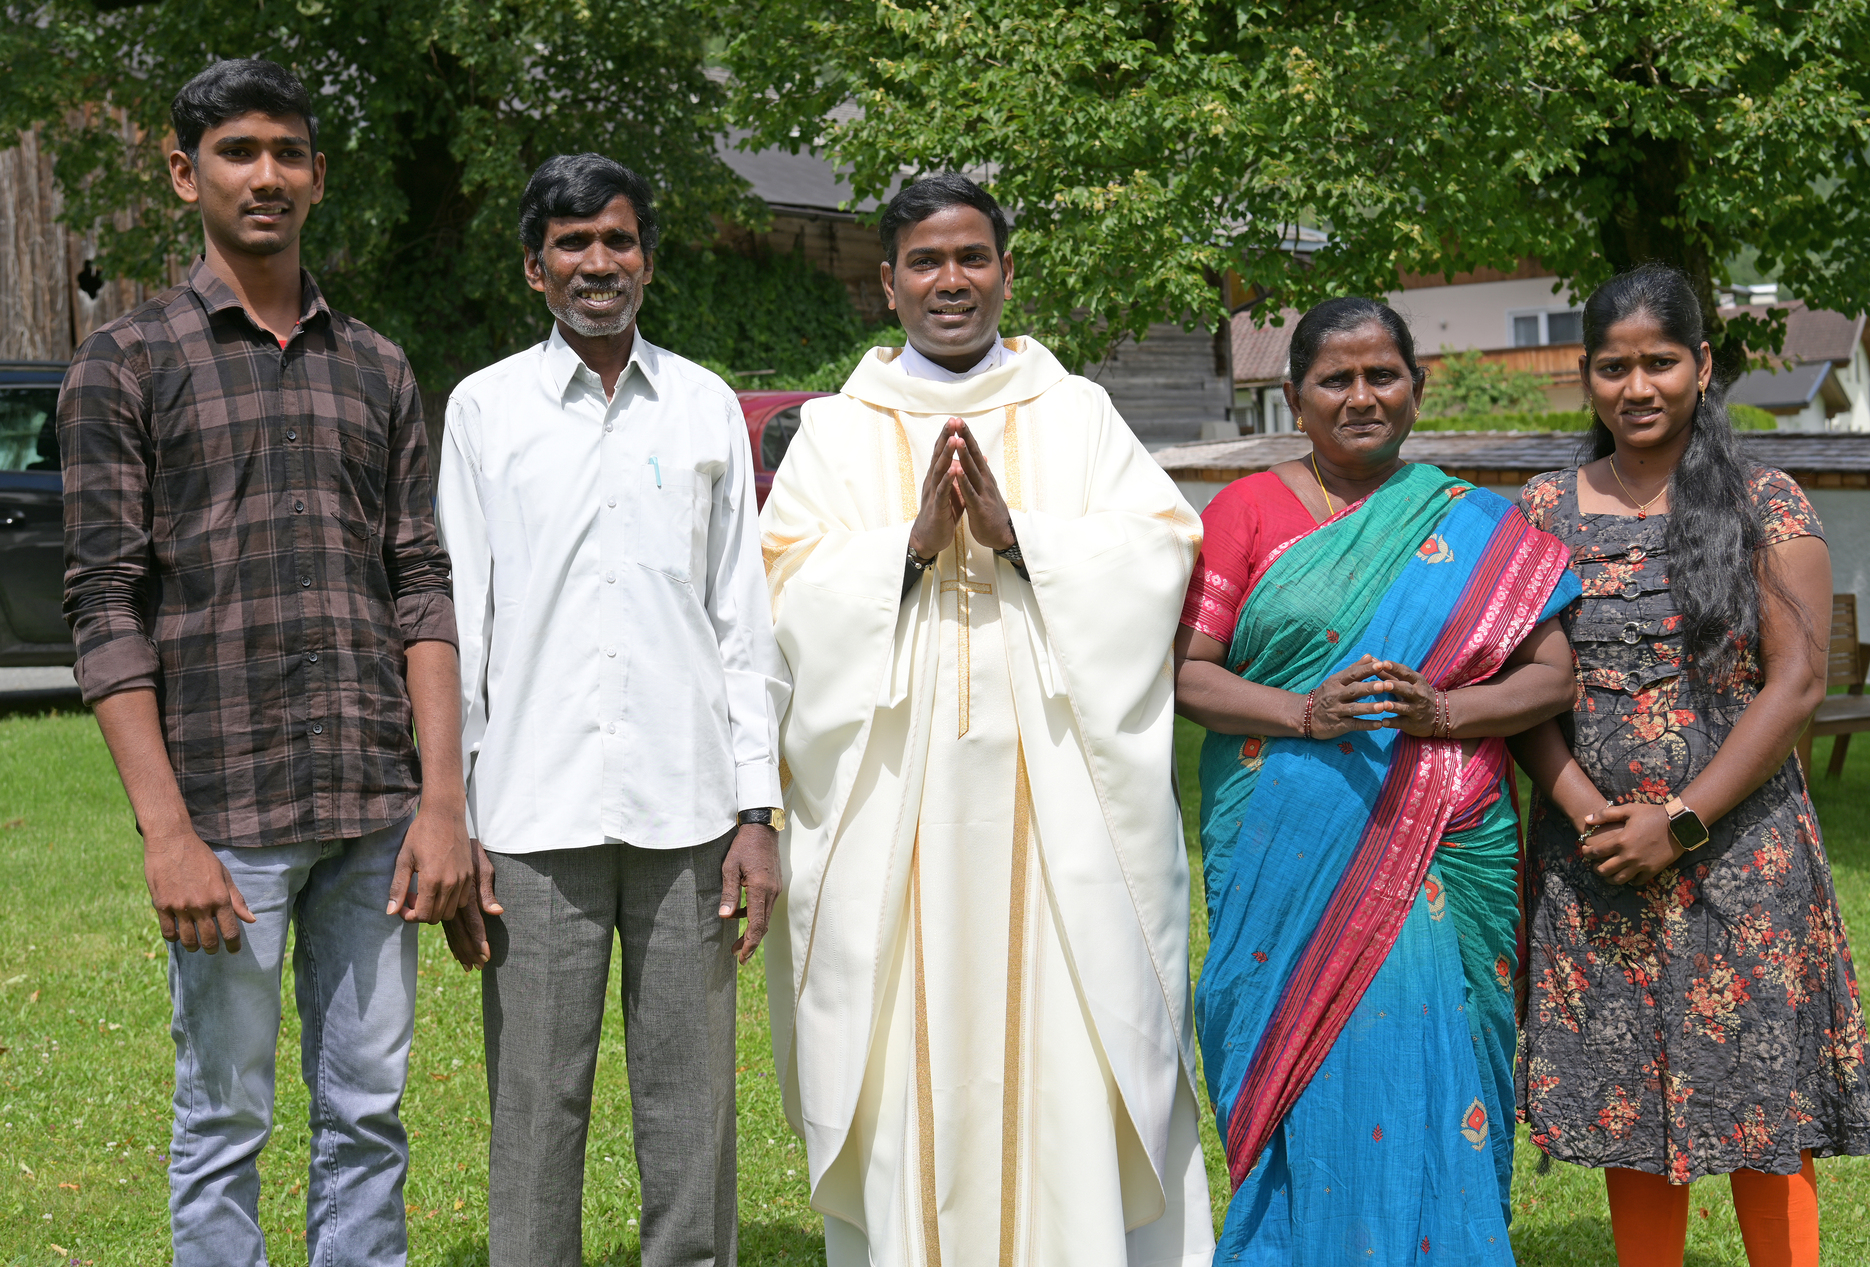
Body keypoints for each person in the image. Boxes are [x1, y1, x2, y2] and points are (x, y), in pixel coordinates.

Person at [759, 173, 1215, 1266]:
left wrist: (1023, 539)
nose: (949, 281)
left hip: (1059, 804)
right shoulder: (833, 433)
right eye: (925, 260)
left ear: (1007, 270)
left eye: (971, 258)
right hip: (894, 814)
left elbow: (1162, 548)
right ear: (887, 282)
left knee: (1071, 1035)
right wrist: (905, 548)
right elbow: (777, 588)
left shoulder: (1078, 414)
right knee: (908, 1050)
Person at [58, 59, 471, 1264]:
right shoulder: (126, 363)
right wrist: (165, 835)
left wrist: (440, 803)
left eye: (289, 153)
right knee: (225, 1113)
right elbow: (103, 605)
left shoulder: (378, 367)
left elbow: (420, 584)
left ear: (319, 177)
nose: (268, 176)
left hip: (371, 813)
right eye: (238, 152)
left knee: (368, 1111)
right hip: (225, 816)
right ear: (186, 174)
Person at [434, 153, 788, 1267]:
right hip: (533, 820)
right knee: (537, 1107)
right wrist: (466, 814)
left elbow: (741, 618)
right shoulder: (485, 409)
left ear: (647, 260)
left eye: (619, 240)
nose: (600, 263)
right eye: (574, 244)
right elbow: (464, 621)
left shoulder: (699, 404)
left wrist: (757, 811)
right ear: (535, 268)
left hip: (690, 814)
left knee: (693, 1115)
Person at [1178, 297, 1581, 1263]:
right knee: (1303, 1066)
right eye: (1334, 379)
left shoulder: (1478, 523)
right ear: (1294, 395)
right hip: (1288, 838)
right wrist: (1303, 710)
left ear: (1415, 385)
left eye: (1383, 375)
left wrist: (1443, 712)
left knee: (1438, 1051)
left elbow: (1551, 676)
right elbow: (1193, 673)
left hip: (1444, 834)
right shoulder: (1246, 510)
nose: (1361, 397)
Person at [1512, 263, 1870, 1267]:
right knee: (1623, 1098)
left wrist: (1678, 821)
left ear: (1703, 365)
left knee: (1765, 1108)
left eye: (1660, 362)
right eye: (1612, 366)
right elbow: (1521, 685)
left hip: (1742, 859)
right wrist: (1594, 816)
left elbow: (1797, 681)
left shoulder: (1767, 501)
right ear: (1585, 376)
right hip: (1594, 861)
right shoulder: (1542, 511)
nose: (1636, 386)